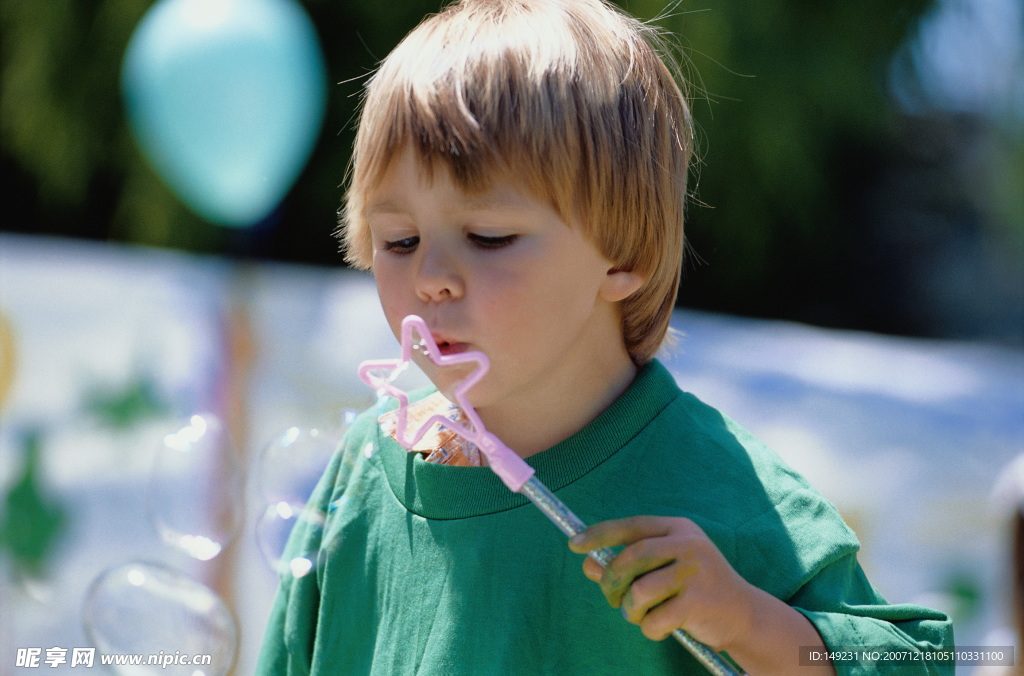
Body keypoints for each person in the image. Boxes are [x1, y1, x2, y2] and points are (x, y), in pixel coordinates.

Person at [256, 0, 954, 673]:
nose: (432, 278)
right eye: (398, 240)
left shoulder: (714, 483)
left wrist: (748, 620)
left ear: (625, 256)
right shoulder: (364, 467)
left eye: (488, 236)